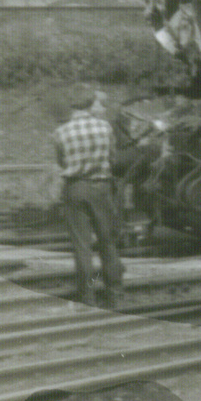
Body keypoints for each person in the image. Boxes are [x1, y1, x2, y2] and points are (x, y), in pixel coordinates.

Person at [52, 85, 124, 307]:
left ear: (72, 106)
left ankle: (87, 296)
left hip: (75, 188)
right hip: (101, 188)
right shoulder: (105, 128)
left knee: (82, 246)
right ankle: (114, 295)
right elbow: (113, 159)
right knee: (108, 243)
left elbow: (62, 162)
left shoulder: (60, 132)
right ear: (91, 103)